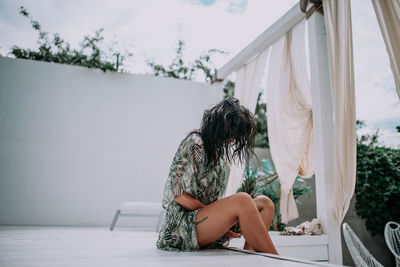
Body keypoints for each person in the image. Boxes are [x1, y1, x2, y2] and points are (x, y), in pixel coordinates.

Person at [156, 97, 278, 254]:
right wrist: (215, 218)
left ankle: (251, 256)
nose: (233, 139)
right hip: (182, 228)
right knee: (242, 200)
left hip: (203, 221)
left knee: (265, 203)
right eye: (232, 133)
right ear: (220, 125)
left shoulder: (218, 152)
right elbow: (180, 196)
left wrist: (219, 219)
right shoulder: (195, 142)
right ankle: (276, 259)